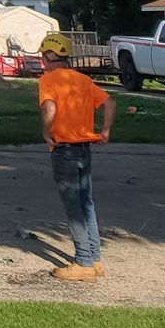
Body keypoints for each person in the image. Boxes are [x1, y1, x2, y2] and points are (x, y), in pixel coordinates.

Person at [38, 32, 114, 282]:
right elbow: (110, 103)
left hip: (64, 149)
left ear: (50, 56)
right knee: (86, 203)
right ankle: (95, 258)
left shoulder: (48, 80)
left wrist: (46, 132)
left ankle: (82, 262)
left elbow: (50, 108)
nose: (43, 62)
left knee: (73, 207)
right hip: (85, 148)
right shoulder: (83, 80)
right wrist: (105, 131)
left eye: (44, 57)